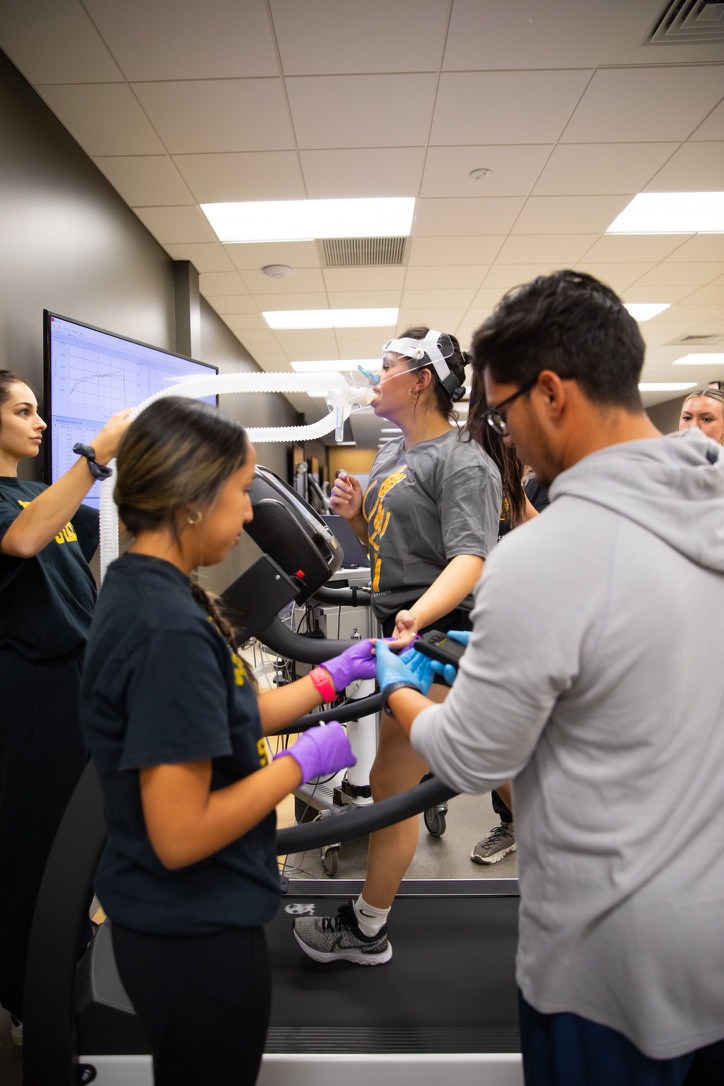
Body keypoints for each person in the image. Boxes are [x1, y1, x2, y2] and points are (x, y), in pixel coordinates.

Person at [371, 270, 724, 1085]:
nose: (505, 437)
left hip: (611, 968)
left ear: (553, 394)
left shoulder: (548, 553)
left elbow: (472, 759)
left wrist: (396, 682)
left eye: (503, 413)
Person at [78, 395, 392, 1086]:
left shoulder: (156, 591)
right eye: (241, 492)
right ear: (192, 500)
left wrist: (335, 677)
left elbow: (238, 711)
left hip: (183, 919)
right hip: (191, 931)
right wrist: (300, 766)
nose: (250, 514)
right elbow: (181, 833)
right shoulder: (164, 630)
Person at [293, 327, 502, 965]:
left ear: (420, 381)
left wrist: (416, 618)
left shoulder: (463, 459)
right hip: (409, 625)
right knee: (504, 772)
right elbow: (391, 544)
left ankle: (367, 929)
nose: (373, 376)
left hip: (447, 631)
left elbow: (471, 559)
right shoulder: (395, 453)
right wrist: (356, 515)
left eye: (385, 366)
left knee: (391, 780)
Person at [0, 369, 132, 1045]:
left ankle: (75, 966)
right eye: (24, 410)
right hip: (30, 690)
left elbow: (113, 525)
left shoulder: (35, 492)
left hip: (79, 681)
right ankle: (33, 998)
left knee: (84, 838)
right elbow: (24, 540)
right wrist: (95, 456)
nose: (41, 422)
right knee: (40, 846)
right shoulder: (13, 506)